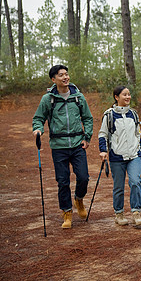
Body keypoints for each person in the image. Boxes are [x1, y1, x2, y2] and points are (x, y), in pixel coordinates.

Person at [32, 64, 93, 229]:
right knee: (63, 181)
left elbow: (87, 118)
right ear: (54, 79)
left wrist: (87, 137)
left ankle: (79, 199)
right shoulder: (48, 99)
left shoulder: (78, 97)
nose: (65, 77)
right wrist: (38, 129)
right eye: (61, 75)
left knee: (83, 177)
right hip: (58, 146)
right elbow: (39, 118)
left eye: (66, 74)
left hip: (77, 144)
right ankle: (67, 212)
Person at [98, 85, 141, 226]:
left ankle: (136, 213)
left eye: (129, 94)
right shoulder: (109, 115)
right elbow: (103, 134)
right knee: (119, 187)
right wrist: (103, 150)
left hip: (134, 155)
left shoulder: (133, 114)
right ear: (116, 97)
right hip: (116, 156)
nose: (128, 97)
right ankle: (119, 213)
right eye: (124, 94)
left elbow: (138, 133)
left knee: (135, 182)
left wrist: (139, 149)